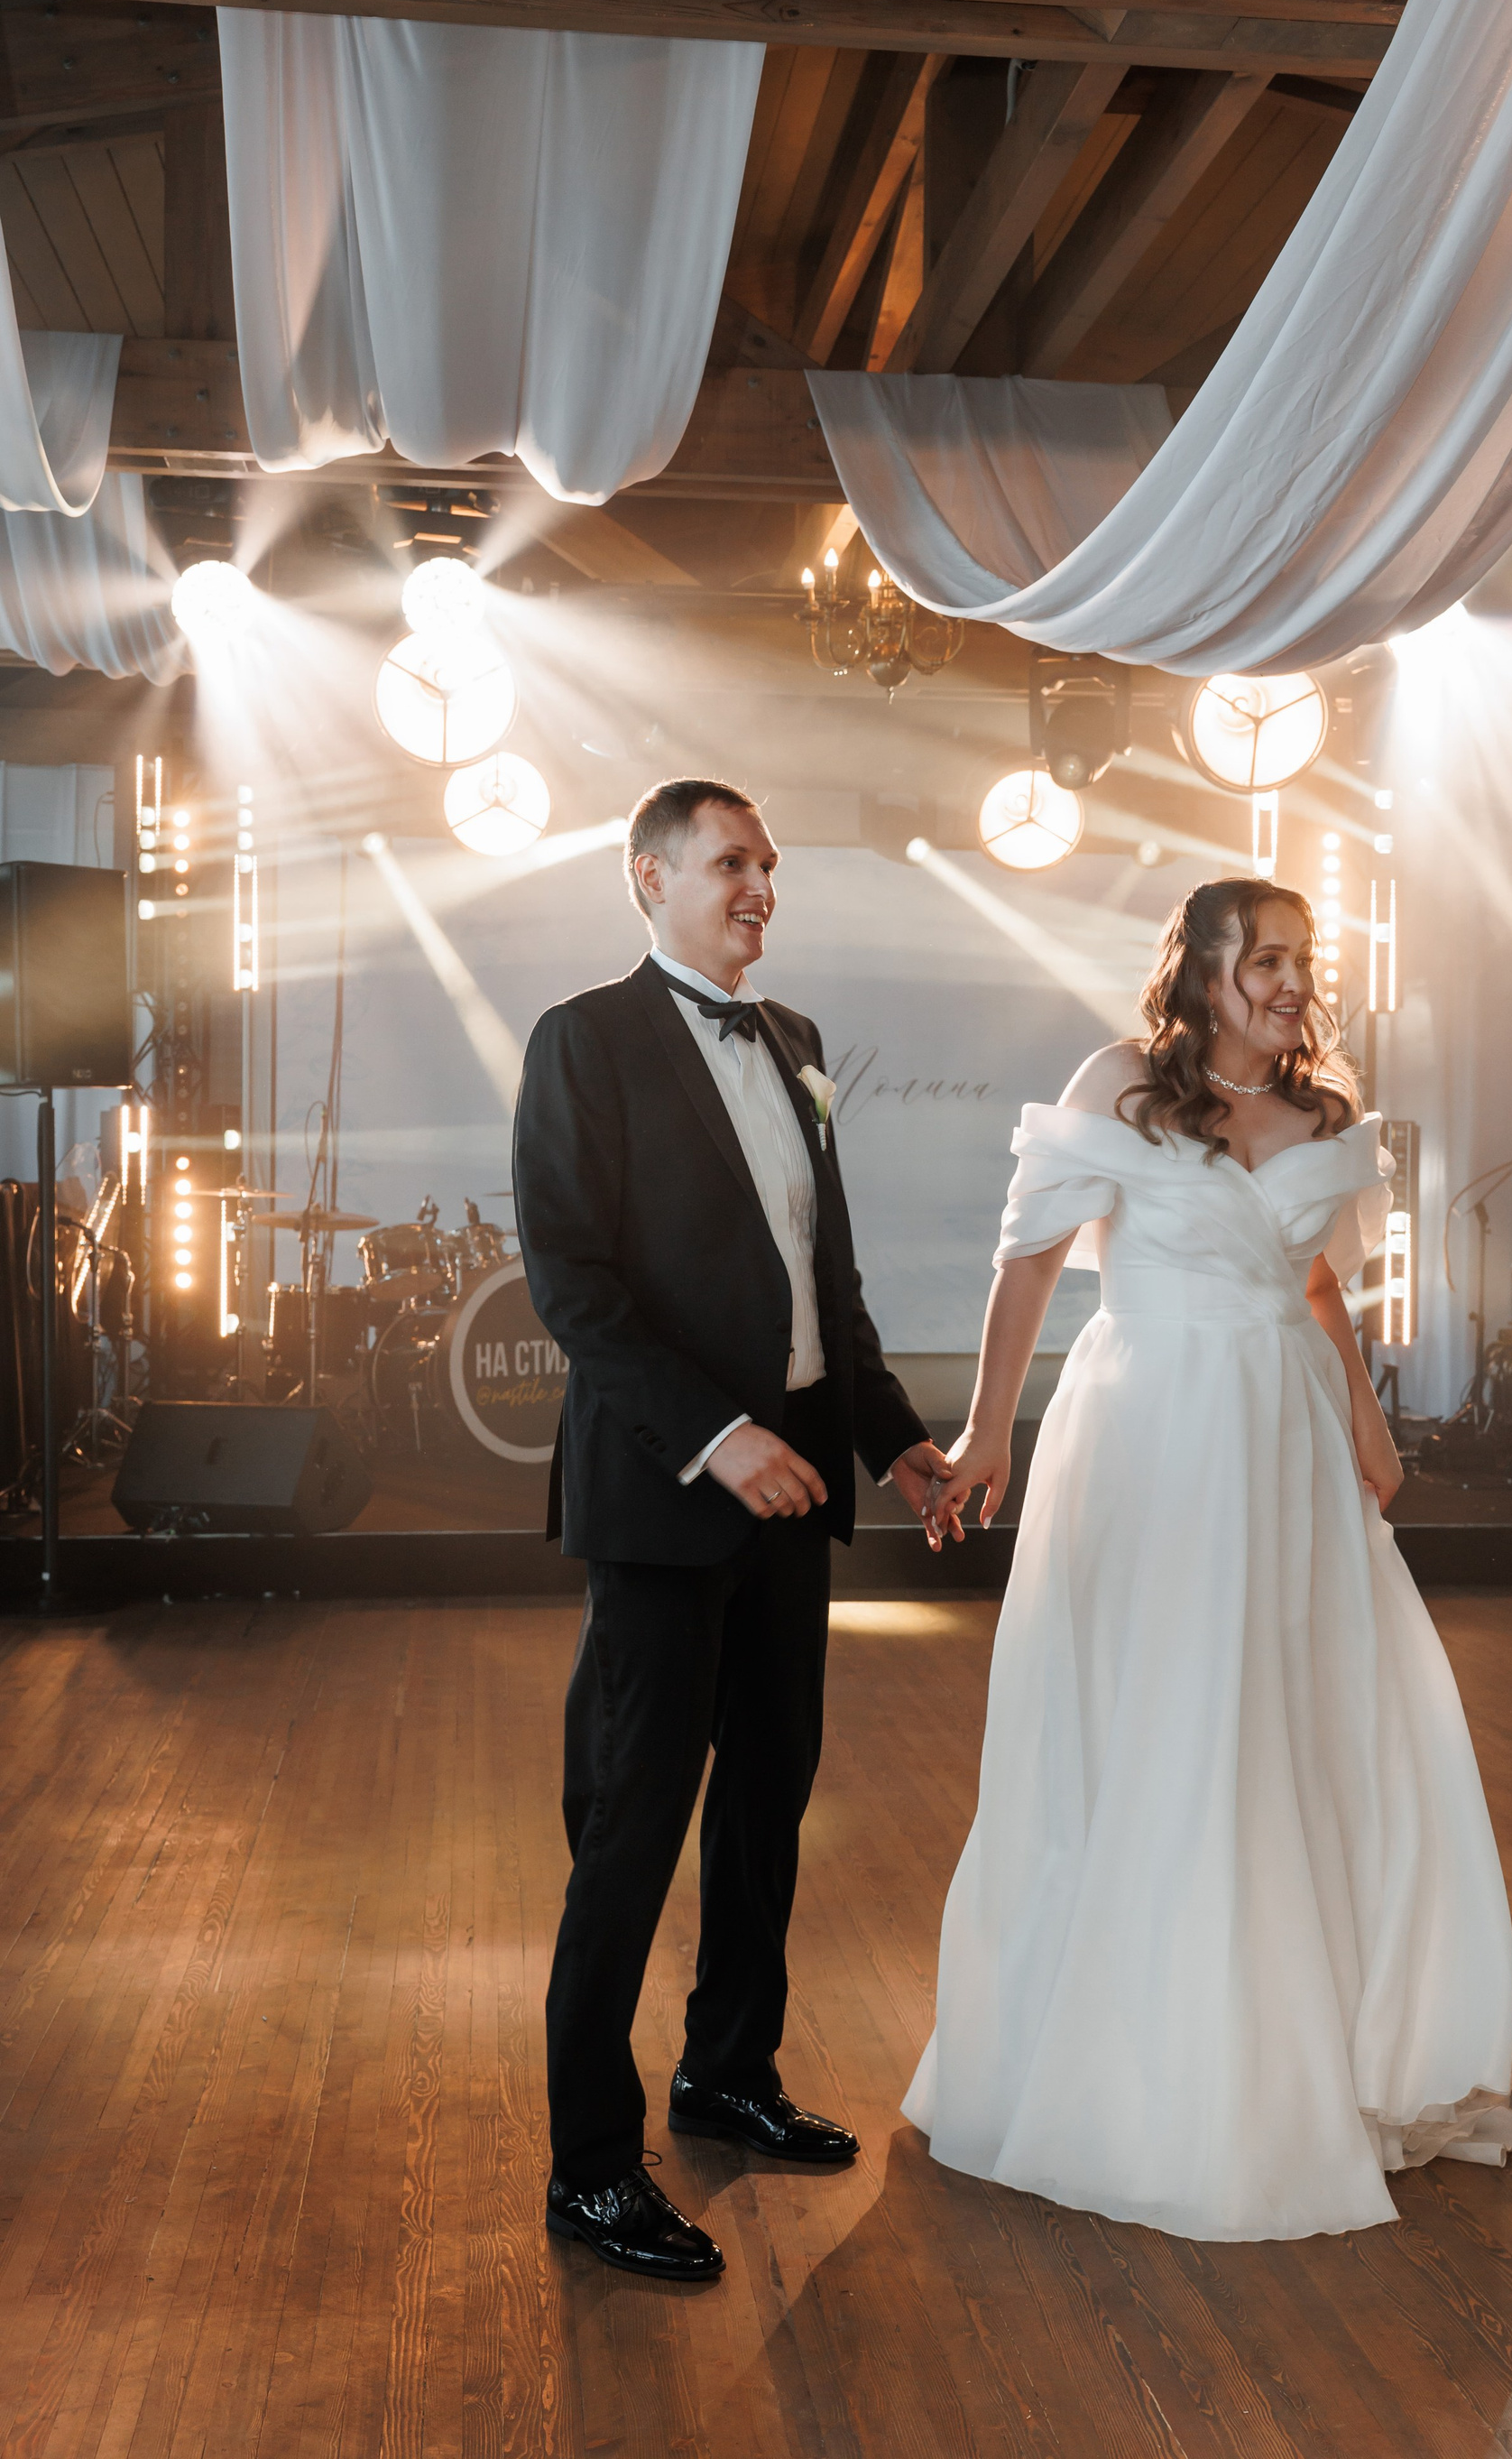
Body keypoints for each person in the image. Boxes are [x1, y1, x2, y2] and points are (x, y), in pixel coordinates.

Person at [908, 878, 1512, 2242]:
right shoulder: (1122, 1083)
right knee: (1161, 1707)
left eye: (1303, 960)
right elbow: (1030, 1264)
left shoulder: (1325, 1113)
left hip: (1285, 1433)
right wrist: (986, 1429)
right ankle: (1141, 2050)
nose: (1292, 983)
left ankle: (1315, 2031)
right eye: (1266, 960)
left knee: (1301, 1713)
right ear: (1202, 970)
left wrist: (1367, 1414)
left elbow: (1315, 1283)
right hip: (1151, 1422)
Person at [513, 777, 951, 2282]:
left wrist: (893, 1439)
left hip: (798, 1494)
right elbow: (573, 1288)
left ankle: (728, 2073)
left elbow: (829, 1287)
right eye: (730, 862)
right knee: (630, 1828)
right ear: (651, 878)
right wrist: (716, 1437)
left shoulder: (799, 1043)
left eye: (769, 865)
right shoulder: (584, 1040)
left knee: (770, 1799)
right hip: (665, 1499)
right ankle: (590, 2168)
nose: (760, 886)